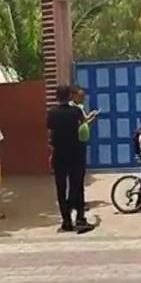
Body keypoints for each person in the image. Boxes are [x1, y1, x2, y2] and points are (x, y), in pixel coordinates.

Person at [47, 85, 94, 233]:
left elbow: (50, 133)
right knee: (76, 186)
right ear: (69, 96)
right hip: (76, 153)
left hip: (59, 154)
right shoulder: (76, 111)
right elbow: (83, 128)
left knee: (61, 188)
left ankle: (66, 221)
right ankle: (78, 216)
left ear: (56, 96)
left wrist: (52, 149)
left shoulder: (52, 113)